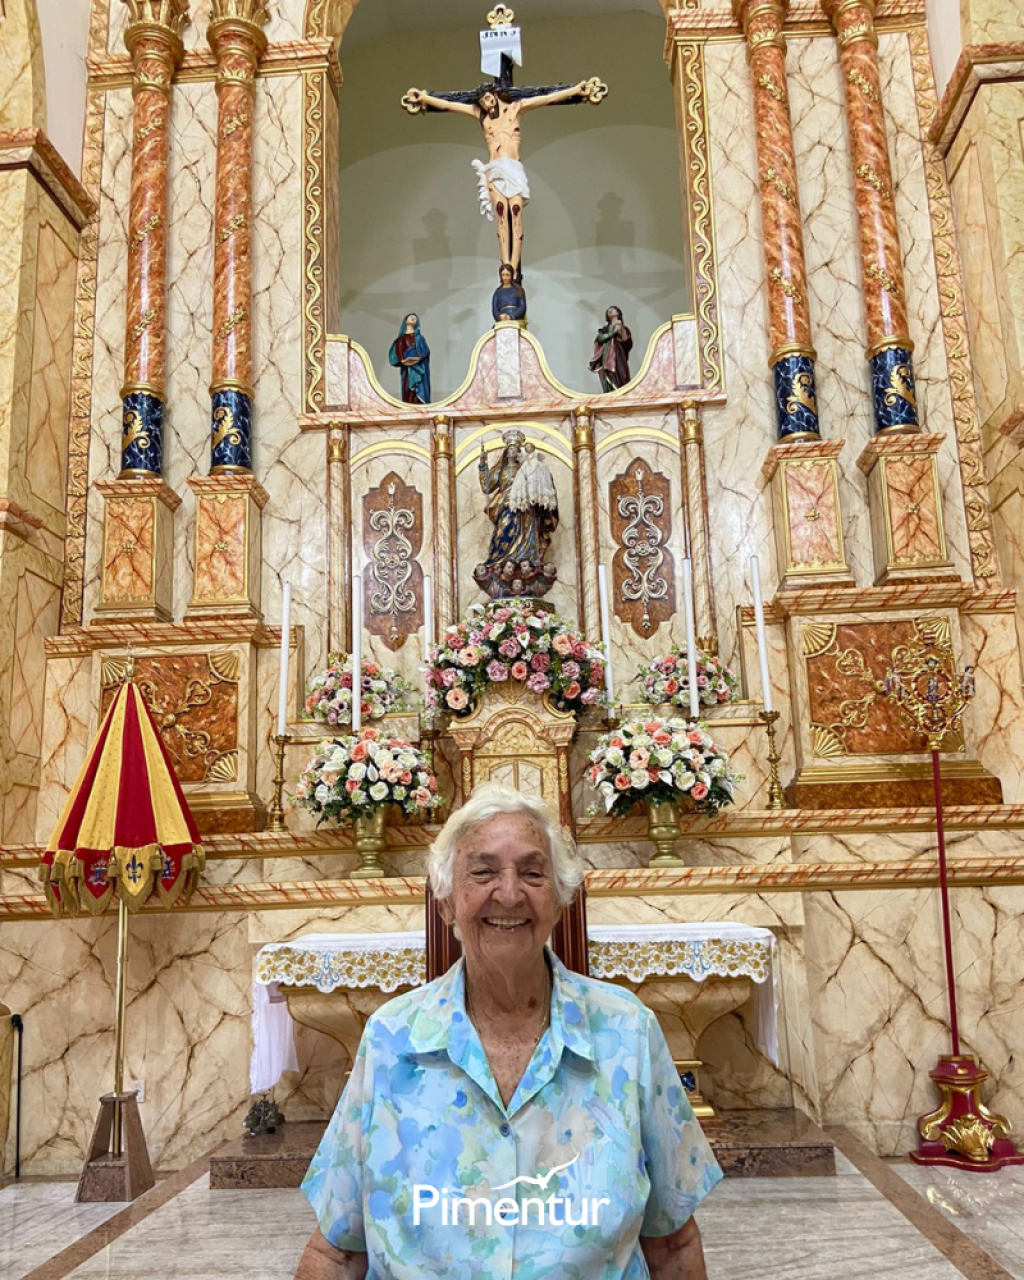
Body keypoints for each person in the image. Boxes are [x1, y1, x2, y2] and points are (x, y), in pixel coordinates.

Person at [295, 782, 721, 1279]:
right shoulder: (392, 1038)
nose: (510, 893)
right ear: (446, 902)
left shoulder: (626, 1031)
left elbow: (673, 1243)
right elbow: (339, 1252)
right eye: (483, 872)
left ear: (559, 900)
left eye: (533, 873)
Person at [402, 80, 605, 276]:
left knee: (515, 211)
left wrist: (576, 91)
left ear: (494, 95)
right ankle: (505, 264)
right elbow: (449, 105)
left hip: (513, 167)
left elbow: (547, 98)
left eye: (488, 98)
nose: (486, 103)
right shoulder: (481, 116)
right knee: (501, 212)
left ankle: (513, 265)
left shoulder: (515, 108)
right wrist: (425, 99)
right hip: (495, 168)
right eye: (482, 101)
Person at [474, 429, 558, 598]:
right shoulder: (501, 470)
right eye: (510, 449)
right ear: (506, 452)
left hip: (525, 509)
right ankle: (501, 561)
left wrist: (539, 469)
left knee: (527, 535)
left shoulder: (524, 468)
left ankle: (527, 561)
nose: (513, 451)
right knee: (502, 533)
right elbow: (487, 486)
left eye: (515, 449)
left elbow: (537, 483)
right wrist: (483, 464)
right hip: (505, 507)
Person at [388, 313, 431, 404]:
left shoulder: (419, 338)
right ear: (405, 320)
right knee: (408, 388)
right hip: (407, 368)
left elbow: (425, 351)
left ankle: (419, 404)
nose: (413, 319)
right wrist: (402, 360)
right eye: (410, 317)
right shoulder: (400, 339)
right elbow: (398, 350)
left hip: (418, 367)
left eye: (415, 318)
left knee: (418, 388)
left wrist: (419, 358)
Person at [590, 305, 633, 392]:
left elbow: (626, 341)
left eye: (613, 309)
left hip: (618, 355)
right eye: (609, 310)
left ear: (618, 313)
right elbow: (600, 338)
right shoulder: (605, 329)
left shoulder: (623, 328)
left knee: (620, 375)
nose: (610, 310)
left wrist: (620, 329)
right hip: (607, 355)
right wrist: (612, 333)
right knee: (608, 376)